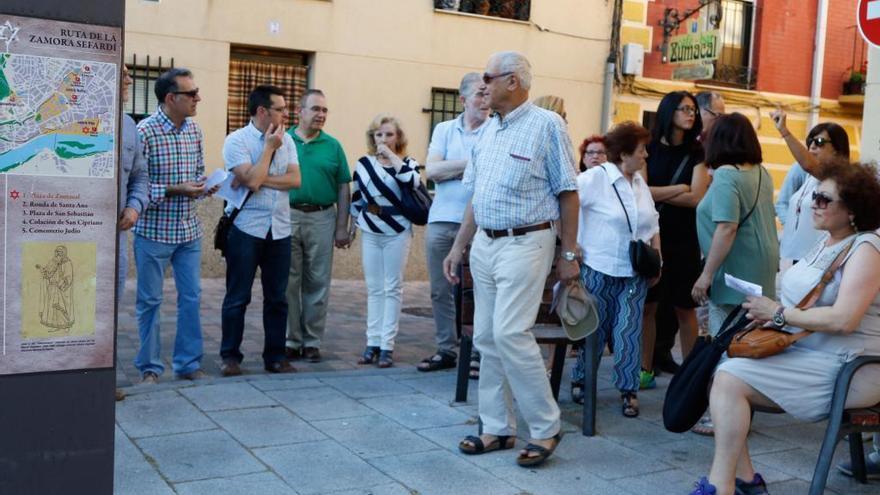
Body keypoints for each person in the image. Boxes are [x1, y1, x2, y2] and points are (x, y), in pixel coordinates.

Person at [689, 160, 880, 495]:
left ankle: (724, 487)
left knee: (729, 379)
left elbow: (844, 318)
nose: (813, 203)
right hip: (812, 351)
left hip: (851, 365)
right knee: (722, 370)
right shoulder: (828, 241)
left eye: (824, 199)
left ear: (852, 210)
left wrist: (778, 313)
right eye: (815, 196)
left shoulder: (867, 248)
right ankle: (744, 480)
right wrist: (770, 313)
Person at [442, 51, 579, 467]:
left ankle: (546, 427)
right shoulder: (486, 131)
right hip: (485, 243)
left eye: (489, 77)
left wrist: (569, 253)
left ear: (514, 81)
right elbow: (475, 197)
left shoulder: (546, 125)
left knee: (510, 333)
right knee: (485, 336)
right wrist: (458, 246)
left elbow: (568, 192)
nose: (482, 85)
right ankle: (496, 428)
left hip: (528, 242)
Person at [689, 113, 779, 437]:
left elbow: (726, 227)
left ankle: (722, 415)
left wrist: (705, 275)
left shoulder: (726, 175)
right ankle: (743, 410)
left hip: (733, 270)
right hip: (762, 265)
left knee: (724, 343)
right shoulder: (762, 173)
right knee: (747, 340)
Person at [133, 68, 217, 384]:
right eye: (191, 94)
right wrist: (173, 189)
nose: (198, 98)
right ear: (171, 98)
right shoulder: (145, 132)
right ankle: (150, 368)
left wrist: (203, 185)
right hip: (154, 233)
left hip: (188, 231)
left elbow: (196, 173)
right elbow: (136, 186)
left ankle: (187, 364)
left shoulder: (194, 131)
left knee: (192, 297)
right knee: (150, 301)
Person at [570, 121, 660, 416]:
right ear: (623, 154)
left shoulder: (639, 182)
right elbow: (564, 205)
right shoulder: (595, 179)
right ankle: (582, 380)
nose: (646, 155)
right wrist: (572, 244)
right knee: (595, 329)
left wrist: (658, 258)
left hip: (635, 271)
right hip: (600, 266)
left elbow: (652, 222)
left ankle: (628, 390)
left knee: (628, 330)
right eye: (641, 150)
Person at [219, 85, 301, 376]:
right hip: (245, 228)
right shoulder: (236, 141)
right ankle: (230, 357)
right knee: (238, 295)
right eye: (280, 108)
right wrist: (268, 150)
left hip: (279, 228)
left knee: (277, 297)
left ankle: (275, 357)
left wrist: (259, 177)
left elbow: (294, 180)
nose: (286, 113)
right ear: (263, 111)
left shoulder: (288, 140)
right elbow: (250, 183)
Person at [417, 73, 490, 373]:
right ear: (463, 100)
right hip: (441, 219)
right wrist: (472, 165)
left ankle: (477, 351)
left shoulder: (493, 130)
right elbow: (432, 171)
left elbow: (488, 174)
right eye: (479, 95)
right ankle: (447, 349)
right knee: (439, 289)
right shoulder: (445, 129)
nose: (485, 100)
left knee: (478, 290)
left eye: (487, 94)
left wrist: (453, 169)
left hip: (479, 223)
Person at [641, 91, 708, 389]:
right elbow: (641, 192)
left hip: (684, 239)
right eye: (683, 108)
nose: (690, 114)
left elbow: (697, 198)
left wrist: (660, 191)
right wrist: (679, 187)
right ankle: (644, 369)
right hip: (652, 238)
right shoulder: (648, 148)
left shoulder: (697, 153)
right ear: (669, 112)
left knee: (685, 306)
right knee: (648, 306)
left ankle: (689, 375)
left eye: (693, 109)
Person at [285, 89, 352, 364]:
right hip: (287, 216)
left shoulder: (333, 146)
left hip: (323, 217)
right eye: (315, 109)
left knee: (318, 282)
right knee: (288, 282)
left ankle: (312, 341)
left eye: (324, 110)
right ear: (300, 111)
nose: (321, 115)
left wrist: (341, 226)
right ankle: (291, 340)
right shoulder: (284, 140)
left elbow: (343, 187)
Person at [350, 114, 420, 369]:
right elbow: (356, 199)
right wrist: (352, 227)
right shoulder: (363, 164)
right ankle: (372, 343)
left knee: (393, 288)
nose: (383, 139)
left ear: (398, 137)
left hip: (398, 229)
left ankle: (387, 346)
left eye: (389, 134)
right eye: (379, 134)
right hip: (370, 229)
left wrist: (392, 157)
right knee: (374, 288)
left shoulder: (409, 163)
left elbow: (412, 181)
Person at [770, 108, 851, 263]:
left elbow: (808, 164)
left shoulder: (837, 175)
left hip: (821, 258)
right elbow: (785, 203)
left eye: (819, 142)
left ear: (837, 149)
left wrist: (784, 132)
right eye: (810, 141)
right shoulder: (809, 177)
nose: (812, 146)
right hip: (801, 256)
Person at [116, 65, 150, 400]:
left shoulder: (129, 126)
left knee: (109, 307)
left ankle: (101, 378)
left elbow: (140, 175)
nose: (128, 79)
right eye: (122, 71)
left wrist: (135, 206)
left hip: (115, 238)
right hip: (63, 227)